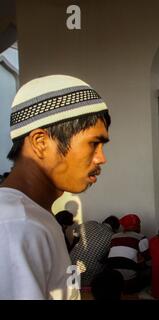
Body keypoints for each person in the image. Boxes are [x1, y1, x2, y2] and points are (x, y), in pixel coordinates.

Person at [0, 75, 110, 299]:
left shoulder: (35, 216)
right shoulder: (15, 227)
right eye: (93, 144)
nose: (101, 158)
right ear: (41, 142)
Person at [70, 215, 120, 287]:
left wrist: (75, 245)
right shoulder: (113, 236)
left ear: (103, 221)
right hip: (90, 271)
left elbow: (75, 233)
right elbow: (108, 257)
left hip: (72, 262)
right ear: (115, 229)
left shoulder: (90, 223)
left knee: (72, 286)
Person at [106, 214, 149, 293]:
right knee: (148, 270)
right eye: (139, 224)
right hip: (130, 284)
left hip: (113, 284)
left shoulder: (114, 237)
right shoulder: (141, 238)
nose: (140, 226)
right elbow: (148, 258)